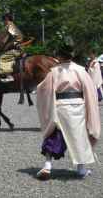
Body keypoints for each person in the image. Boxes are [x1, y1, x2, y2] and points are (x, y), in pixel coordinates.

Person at [36, 37, 100, 180]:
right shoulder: (81, 71)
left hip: (60, 107)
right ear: (72, 54)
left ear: (59, 55)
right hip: (78, 107)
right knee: (80, 137)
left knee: (54, 135)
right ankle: (81, 169)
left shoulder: (54, 72)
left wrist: (38, 87)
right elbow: (90, 91)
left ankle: (47, 165)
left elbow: (43, 89)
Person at [0, 13, 24, 82]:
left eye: (3, 20)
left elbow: (17, 38)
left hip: (15, 49)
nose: (3, 22)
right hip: (14, 48)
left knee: (2, 58)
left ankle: (8, 75)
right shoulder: (10, 27)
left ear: (6, 19)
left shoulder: (10, 26)